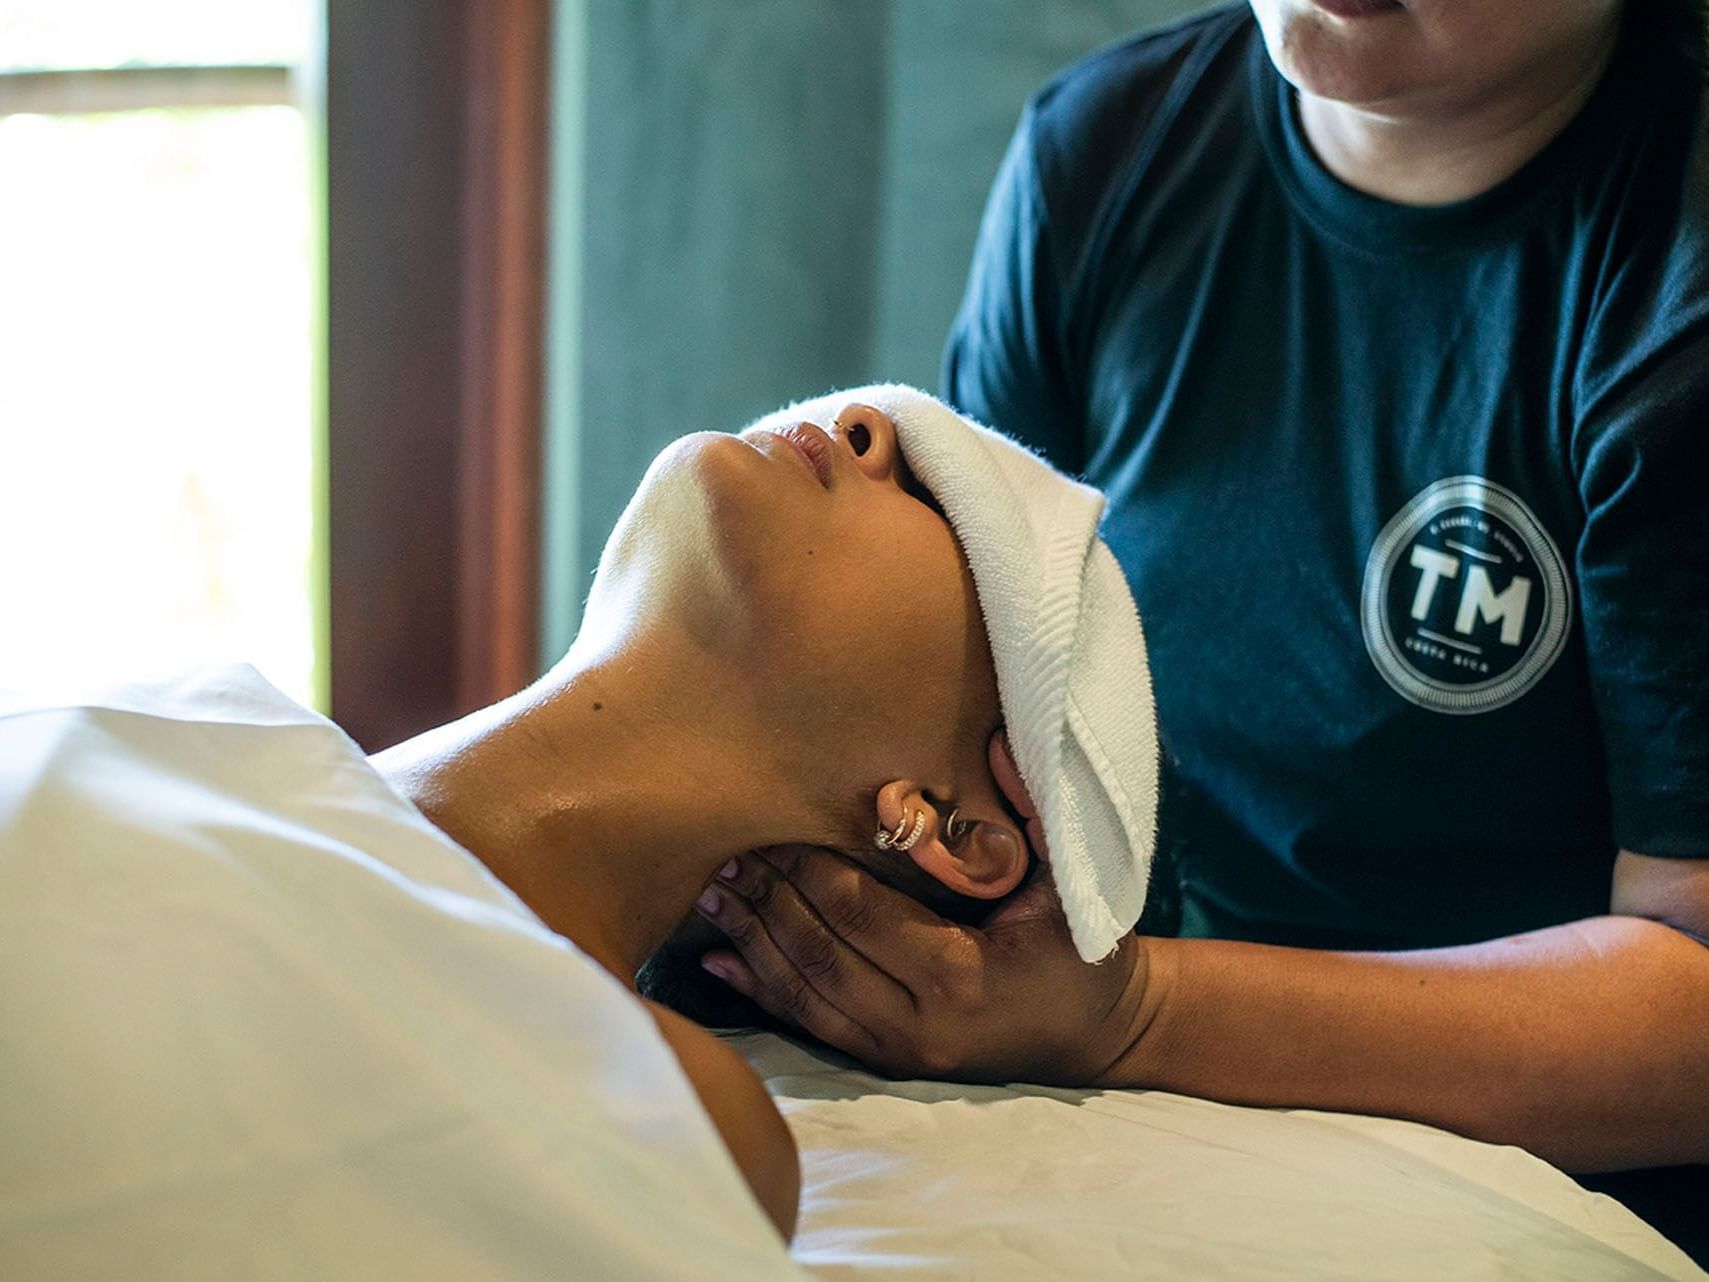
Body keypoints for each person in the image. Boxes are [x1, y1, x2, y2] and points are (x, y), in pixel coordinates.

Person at [689, 0, 1709, 1264]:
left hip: (1540, 1186)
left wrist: (1138, 1011)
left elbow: (1692, 1010)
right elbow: (964, 695)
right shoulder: (1104, 151)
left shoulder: (1666, 290)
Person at [372, 399, 1045, 1239]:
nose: (862, 424)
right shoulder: (225, 725)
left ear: (952, 828)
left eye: (941, 499)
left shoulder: (656, 1127)